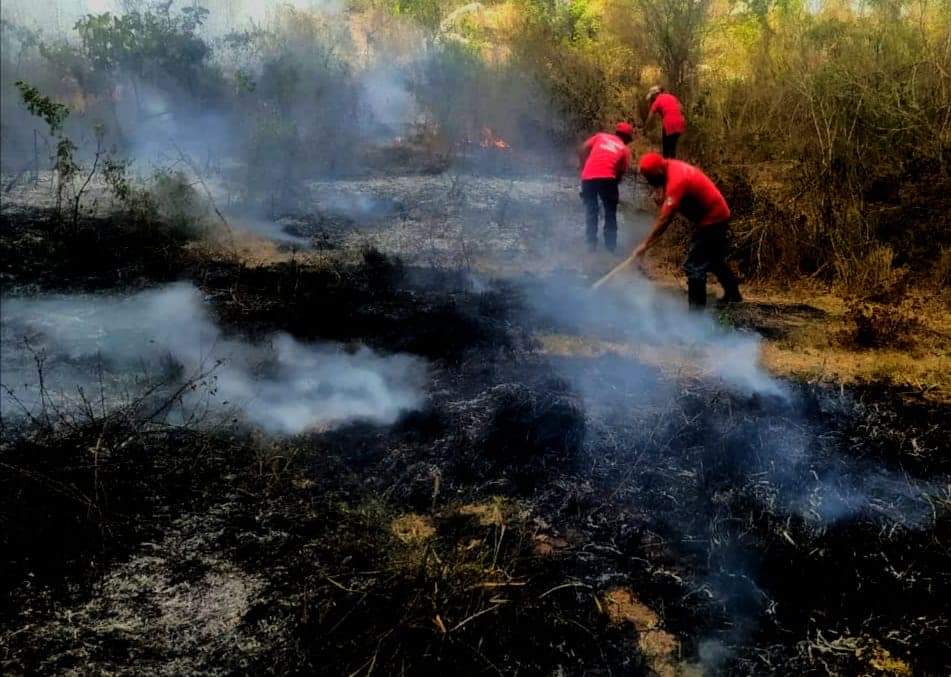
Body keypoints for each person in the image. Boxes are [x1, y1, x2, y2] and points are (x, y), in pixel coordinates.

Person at [631, 152, 742, 309]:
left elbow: (665, 220)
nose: (650, 183)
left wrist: (645, 245)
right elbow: (664, 190)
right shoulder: (667, 166)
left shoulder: (677, 180)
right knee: (714, 259)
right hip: (716, 214)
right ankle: (733, 294)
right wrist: (659, 190)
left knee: (693, 265)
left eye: (651, 179)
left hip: (713, 218)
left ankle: (696, 314)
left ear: (658, 173)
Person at [578, 122, 634, 253]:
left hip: (588, 177)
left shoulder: (600, 136)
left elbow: (582, 149)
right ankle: (610, 248)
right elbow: (620, 174)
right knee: (610, 213)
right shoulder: (624, 149)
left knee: (591, 211)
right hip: (608, 179)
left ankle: (590, 246)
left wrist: (583, 168)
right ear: (626, 138)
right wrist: (612, 195)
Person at [645, 86, 685, 159]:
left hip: (669, 123)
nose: (651, 98)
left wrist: (645, 127)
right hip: (680, 123)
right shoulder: (671, 96)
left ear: (655, 94)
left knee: (666, 149)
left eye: (652, 96)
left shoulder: (657, 101)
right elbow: (681, 108)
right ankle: (673, 165)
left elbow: (650, 116)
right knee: (673, 147)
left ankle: (666, 165)